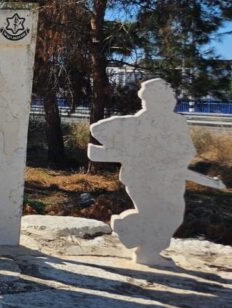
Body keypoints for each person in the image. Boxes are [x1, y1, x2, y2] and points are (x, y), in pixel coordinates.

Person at [88, 79, 225, 266]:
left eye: (171, 97)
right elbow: (97, 129)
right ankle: (146, 250)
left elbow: (188, 149)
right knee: (156, 214)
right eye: (168, 96)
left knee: (174, 215)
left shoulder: (176, 122)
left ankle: (130, 230)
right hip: (141, 177)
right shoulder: (136, 122)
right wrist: (129, 150)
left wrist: (170, 157)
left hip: (171, 177)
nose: (172, 100)